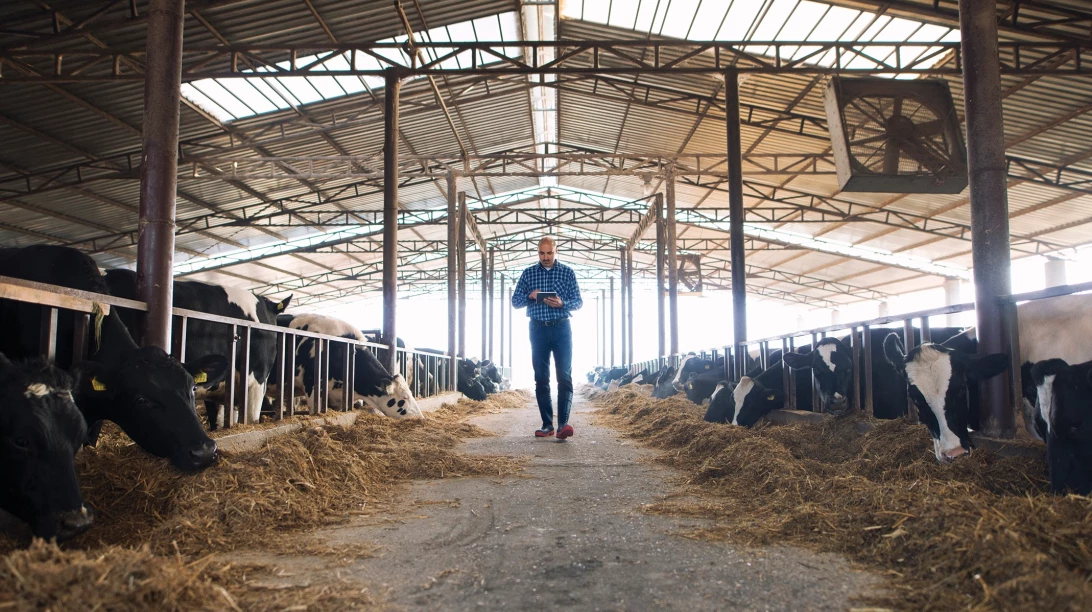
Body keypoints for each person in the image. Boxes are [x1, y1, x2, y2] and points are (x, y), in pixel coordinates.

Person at [511, 236, 583, 439]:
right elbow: (515, 302)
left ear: (556, 251)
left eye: (549, 253)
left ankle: (563, 425)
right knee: (541, 378)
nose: (545, 257)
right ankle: (547, 425)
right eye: (542, 253)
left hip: (561, 329)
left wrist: (562, 304)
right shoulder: (528, 273)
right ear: (538, 253)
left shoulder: (567, 273)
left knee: (564, 376)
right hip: (537, 330)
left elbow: (578, 302)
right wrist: (530, 296)